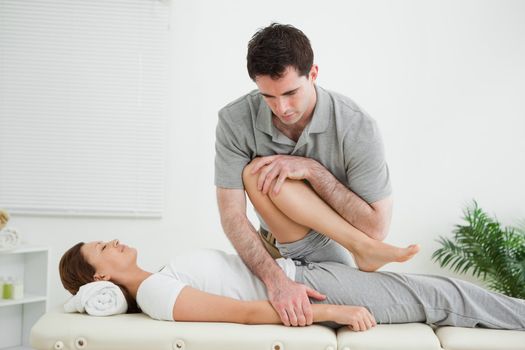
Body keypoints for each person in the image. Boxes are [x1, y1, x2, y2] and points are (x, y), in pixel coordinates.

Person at [60, 175, 525, 331]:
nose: (113, 241)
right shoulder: (158, 295)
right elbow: (243, 314)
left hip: (297, 263)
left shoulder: (160, 276)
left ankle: (364, 248)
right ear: (99, 277)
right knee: (447, 297)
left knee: (264, 178)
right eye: (103, 248)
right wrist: (334, 312)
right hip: (314, 286)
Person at [216, 22, 399, 327]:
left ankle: (360, 251)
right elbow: (232, 215)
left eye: (290, 93)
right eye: (268, 97)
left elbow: (376, 228)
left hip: (334, 248)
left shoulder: (356, 126)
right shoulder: (234, 120)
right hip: (270, 248)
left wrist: (314, 172)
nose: (282, 108)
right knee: (254, 173)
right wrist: (277, 282)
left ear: (313, 74)